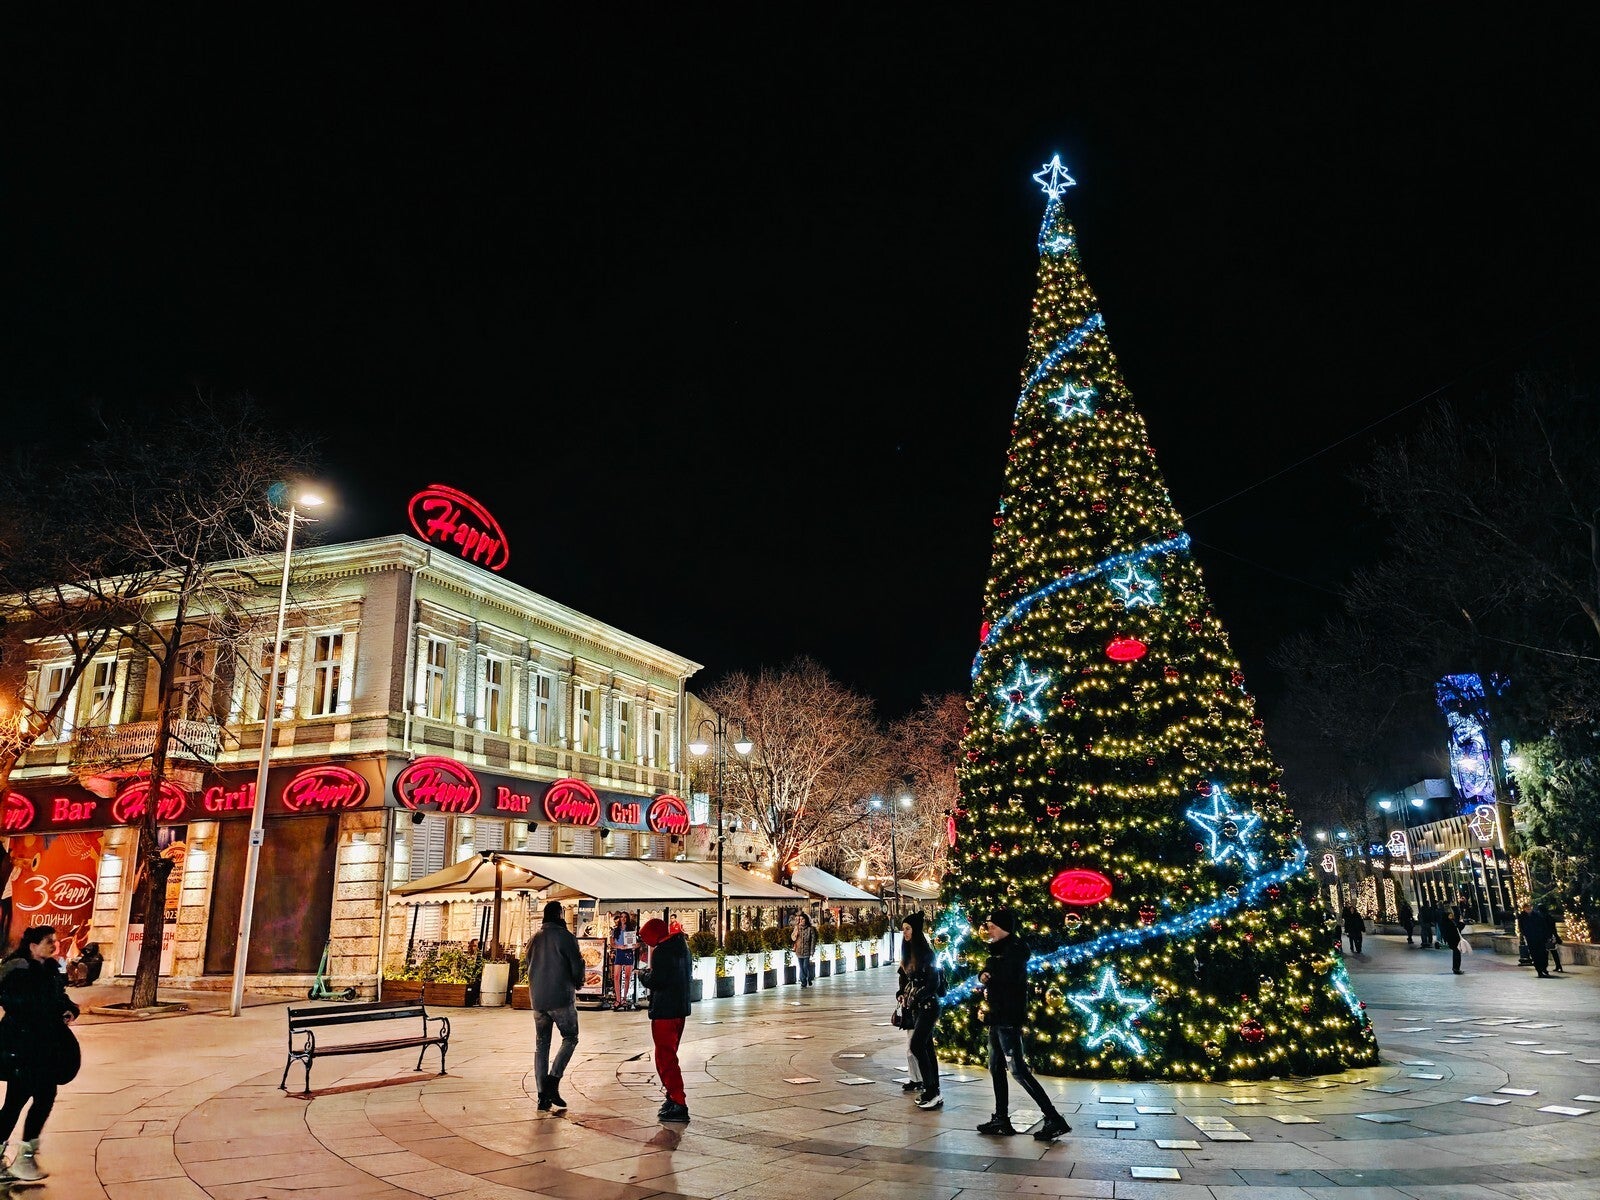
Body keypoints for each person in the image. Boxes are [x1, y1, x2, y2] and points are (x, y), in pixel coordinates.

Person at [975, 908, 1071, 1142]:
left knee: (1018, 1070)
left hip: (1007, 1018)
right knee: (995, 1067)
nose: (989, 931)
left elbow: (1004, 982)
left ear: (1005, 929)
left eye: (993, 927)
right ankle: (1001, 1118)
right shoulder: (998, 951)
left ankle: (1054, 1118)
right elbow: (989, 973)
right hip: (997, 1018)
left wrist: (989, 973)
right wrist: (983, 974)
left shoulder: (1014, 951)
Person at [0, 925, 79, 1183]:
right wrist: (51, 1011)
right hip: (21, 1046)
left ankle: (25, 1158)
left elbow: (60, 998)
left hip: (43, 1048)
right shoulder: (18, 970)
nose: (54, 945)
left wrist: (70, 1009)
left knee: (39, 1097)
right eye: (48, 941)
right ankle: (22, 1159)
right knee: (19, 1101)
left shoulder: (50, 969)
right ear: (33, 946)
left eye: (54, 941)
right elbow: (19, 1004)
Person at [525, 900, 584, 1113]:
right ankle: (553, 1079)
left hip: (538, 1000)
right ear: (559, 915)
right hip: (560, 998)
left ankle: (542, 1096)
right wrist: (578, 981)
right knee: (570, 1037)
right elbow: (576, 965)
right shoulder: (566, 937)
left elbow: (528, 965)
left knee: (542, 1045)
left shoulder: (534, 938)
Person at [638, 917, 692, 1123]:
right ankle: (672, 1096)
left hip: (665, 1011)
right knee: (670, 1054)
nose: (646, 943)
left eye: (646, 938)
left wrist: (643, 976)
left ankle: (678, 1101)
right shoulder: (682, 948)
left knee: (665, 1057)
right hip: (679, 1009)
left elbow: (658, 980)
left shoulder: (662, 952)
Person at [896, 913, 943, 1110]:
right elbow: (904, 977)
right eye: (903, 929)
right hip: (916, 1007)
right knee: (927, 1047)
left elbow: (934, 982)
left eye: (908, 929)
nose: (905, 933)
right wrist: (901, 993)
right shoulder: (907, 953)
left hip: (929, 1006)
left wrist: (918, 995)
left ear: (915, 930)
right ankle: (934, 1090)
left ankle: (931, 1089)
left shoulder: (926, 954)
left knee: (917, 1045)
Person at [1516, 902, 1554, 978]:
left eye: (1530, 908)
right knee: (1535, 955)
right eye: (1527, 908)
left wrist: (1546, 935)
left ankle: (1544, 968)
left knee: (1543, 954)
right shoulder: (1522, 917)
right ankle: (1539, 970)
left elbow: (1543, 925)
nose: (1529, 909)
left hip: (1540, 938)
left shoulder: (1537, 915)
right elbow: (1521, 927)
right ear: (1524, 909)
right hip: (1531, 939)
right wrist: (1525, 934)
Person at [610, 913, 637, 1010]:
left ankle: (624, 998)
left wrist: (633, 946)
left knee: (627, 977)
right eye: (622, 917)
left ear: (627, 919)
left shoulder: (631, 930)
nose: (623, 919)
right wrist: (619, 946)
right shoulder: (615, 930)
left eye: (625, 917)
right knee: (616, 976)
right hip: (619, 952)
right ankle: (618, 999)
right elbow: (612, 943)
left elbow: (636, 943)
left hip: (628, 952)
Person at [1536, 904, 1566, 974]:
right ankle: (1558, 966)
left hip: (1544, 937)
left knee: (1545, 953)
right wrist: (1556, 936)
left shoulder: (1541, 917)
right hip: (1550, 936)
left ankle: (1545, 968)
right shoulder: (1549, 917)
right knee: (1553, 951)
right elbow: (1553, 928)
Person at [791, 913, 818, 988]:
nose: (801, 920)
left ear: (806, 919)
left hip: (807, 950)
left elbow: (813, 940)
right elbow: (793, 938)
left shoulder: (810, 929)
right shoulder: (797, 928)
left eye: (802, 919)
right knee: (801, 967)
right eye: (800, 919)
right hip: (799, 950)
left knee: (805, 966)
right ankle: (804, 981)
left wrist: (812, 950)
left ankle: (809, 978)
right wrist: (795, 934)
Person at [1439, 906, 1464, 975]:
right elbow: (1456, 929)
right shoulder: (1449, 922)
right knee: (1457, 954)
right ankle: (1456, 968)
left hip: (1451, 939)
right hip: (1454, 939)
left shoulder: (1445, 921)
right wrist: (1462, 923)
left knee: (1456, 953)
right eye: (1450, 915)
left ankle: (1456, 968)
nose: (1452, 916)